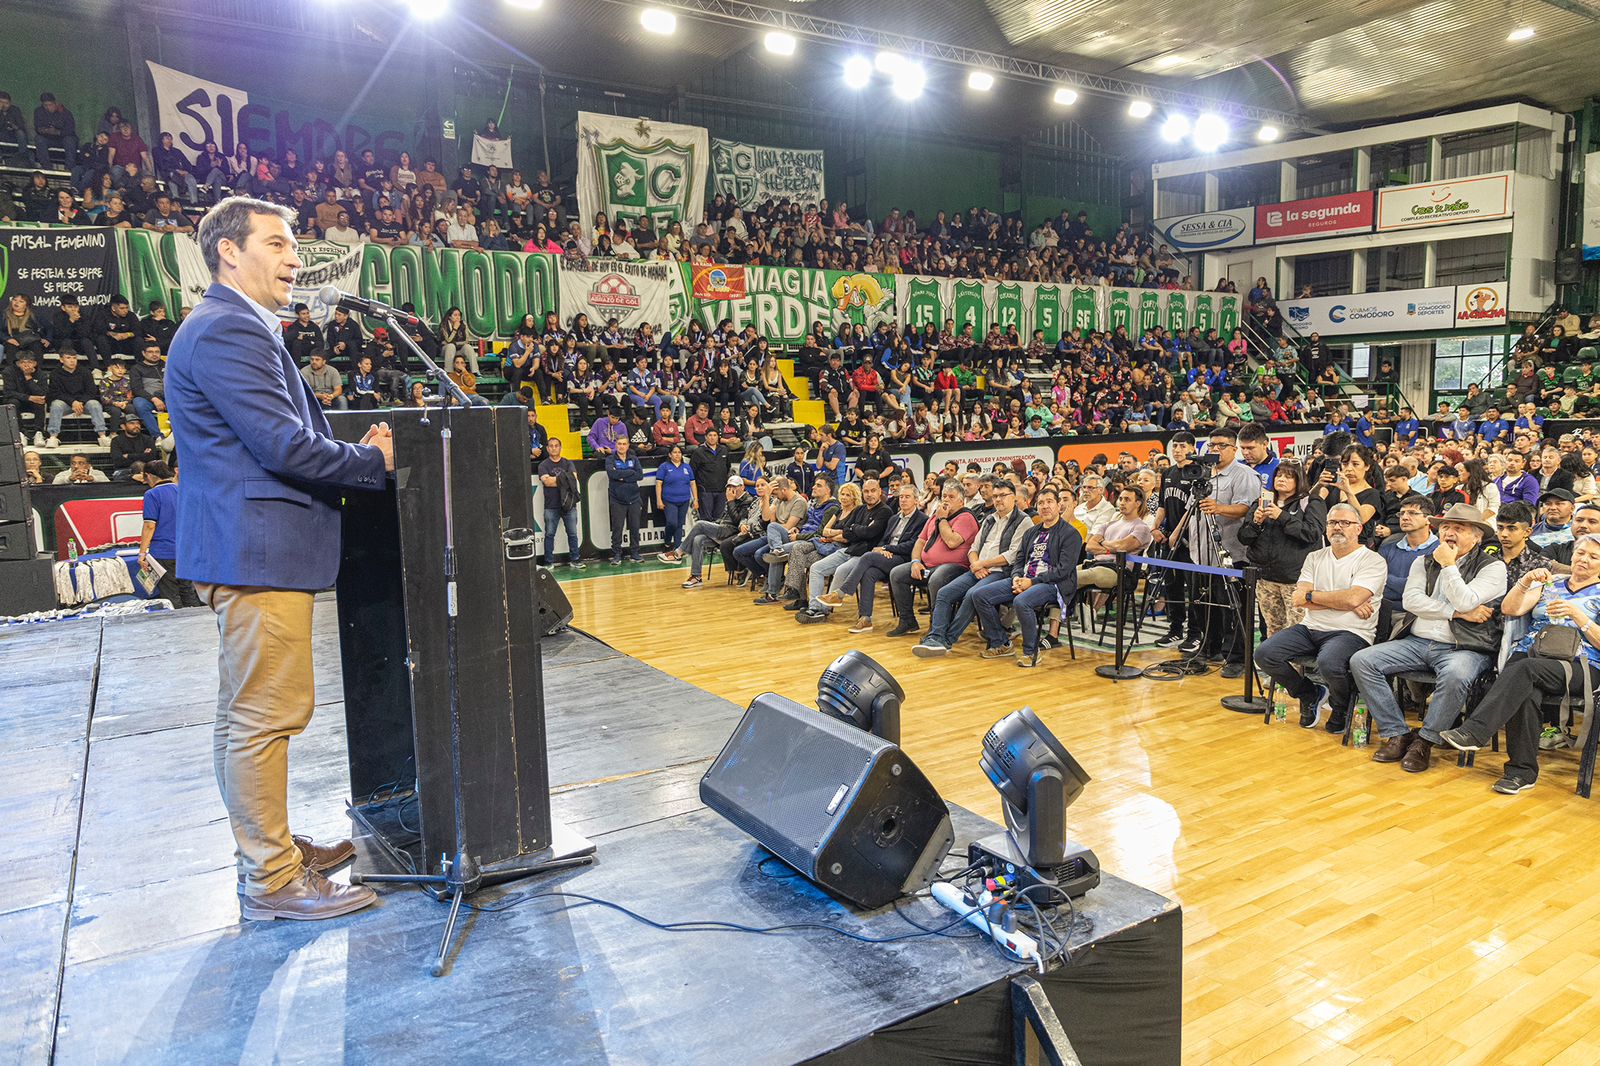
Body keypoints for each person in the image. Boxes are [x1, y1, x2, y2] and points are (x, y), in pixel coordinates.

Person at [165, 196, 392, 921]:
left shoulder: (230, 327)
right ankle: (270, 879)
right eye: (278, 243)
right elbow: (282, 446)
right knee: (266, 715)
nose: (296, 259)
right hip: (255, 551)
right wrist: (371, 459)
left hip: (249, 548)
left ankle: (272, 847)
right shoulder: (229, 329)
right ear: (229, 251)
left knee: (248, 713)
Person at [1349, 504, 1507, 773]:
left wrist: (1448, 565)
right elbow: (1412, 602)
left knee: (1457, 675)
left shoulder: (1493, 568)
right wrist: (1455, 613)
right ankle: (1397, 733)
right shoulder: (1422, 561)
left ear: (1477, 536)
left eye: (1459, 528)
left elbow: (1467, 598)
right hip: (1417, 641)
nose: (1450, 532)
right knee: (1363, 660)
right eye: (1446, 526)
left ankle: (1425, 741)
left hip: (1465, 647)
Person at [1440, 534, 1600, 795]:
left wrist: (1578, 616)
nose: (1584, 559)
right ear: (1572, 555)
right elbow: (1510, 609)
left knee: (1523, 670)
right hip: (1533, 654)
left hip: (1581, 664)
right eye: (1581, 553)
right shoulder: (1551, 584)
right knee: (1525, 689)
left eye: (1593, 557)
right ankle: (1521, 774)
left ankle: (1475, 732)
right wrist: (1525, 582)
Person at [1254, 503, 1388, 732]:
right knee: (1265, 653)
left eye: (1345, 523)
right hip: (1310, 627)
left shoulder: (1372, 560)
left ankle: (1341, 706)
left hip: (1352, 632)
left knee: (1329, 663)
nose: (1338, 527)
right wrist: (1345, 602)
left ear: (1358, 528)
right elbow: (1299, 599)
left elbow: (1353, 598)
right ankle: (1309, 693)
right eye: (1333, 523)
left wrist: (1324, 599)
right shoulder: (1315, 557)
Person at [911, 478, 1029, 656]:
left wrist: (982, 563)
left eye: (1002, 496)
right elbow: (974, 548)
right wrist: (975, 564)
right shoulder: (990, 519)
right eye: (995, 496)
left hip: (1002, 571)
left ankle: (946, 640)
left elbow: (1012, 555)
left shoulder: (1023, 521)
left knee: (972, 595)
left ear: (1013, 497)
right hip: (978, 569)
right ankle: (935, 637)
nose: (997, 500)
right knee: (944, 593)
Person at [971, 486, 1084, 668]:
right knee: (980, 595)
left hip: (1053, 584)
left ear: (1058, 506)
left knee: (1022, 601)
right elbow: (1019, 560)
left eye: (1049, 502)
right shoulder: (1032, 532)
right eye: (1041, 503)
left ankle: (1031, 652)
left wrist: (1032, 582)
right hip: (1024, 579)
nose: (1045, 506)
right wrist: (1016, 577)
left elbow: (1064, 570)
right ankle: (1001, 643)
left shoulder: (1070, 534)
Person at [1239, 461, 1326, 639]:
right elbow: (1243, 538)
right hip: (1265, 579)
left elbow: (1312, 533)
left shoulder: (1311, 502)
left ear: (1299, 479)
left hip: (1295, 581)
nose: (1281, 479)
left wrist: (1282, 516)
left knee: (1296, 631)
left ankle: (1295, 667)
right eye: (1278, 475)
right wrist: (1256, 523)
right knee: (1272, 629)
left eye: (1288, 476)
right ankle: (1273, 666)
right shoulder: (1261, 502)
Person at [885, 481, 979, 638]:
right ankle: (908, 621)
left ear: (961, 500)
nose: (946, 500)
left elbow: (952, 541)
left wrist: (942, 520)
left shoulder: (965, 517)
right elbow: (920, 542)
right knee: (897, 573)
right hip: (927, 565)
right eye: (944, 496)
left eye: (951, 497)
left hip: (956, 567)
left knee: (937, 578)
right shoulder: (934, 516)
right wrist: (915, 562)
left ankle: (936, 626)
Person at [136, 460, 202, 608]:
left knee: (171, 595)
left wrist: (142, 553)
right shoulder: (183, 491)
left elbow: (149, 525)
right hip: (185, 551)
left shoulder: (151, 494)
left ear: (148, 475)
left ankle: (177, 628)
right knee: (188, 591)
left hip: (163, 553)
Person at [1374, 495, 1439, 638]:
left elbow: (1428, 589)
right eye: (1402, 513)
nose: (1404, 517)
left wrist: (1387, 579)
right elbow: (1374, 582)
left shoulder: (1439, 550)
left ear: (1428, 519)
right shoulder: (1387, 547)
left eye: (1412, 513)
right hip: (1379, 608)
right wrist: (1407, 584)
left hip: (1414, 614)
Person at [679, 475, 758, 590]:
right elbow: (724, 519)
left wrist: (730, 501)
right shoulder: (730, 499)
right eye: (729, 486)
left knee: (700, 524)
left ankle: (679, 552)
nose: (731, 489)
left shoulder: (748, 500)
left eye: (734, 486)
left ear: (742, 487)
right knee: (698, 539)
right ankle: (696, 576)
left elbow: (737, 522)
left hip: (732, 533)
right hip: (723, 529)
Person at [1076, 485, 1153, 593]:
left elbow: (1121, 547)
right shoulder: (1108, 524)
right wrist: (1109, 550)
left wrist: (1102, 542)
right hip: (1095, 563)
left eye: (1127, 500)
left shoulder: (1141, 528)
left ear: (1138, 503)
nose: (1122, 502)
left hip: (1119, 571)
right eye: (1121, 499)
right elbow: (1089, 546)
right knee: (1063, 576)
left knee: (1072, 577)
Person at [44, 348, 109, 447]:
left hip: (83, 404)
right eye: (68, 358)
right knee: (56, 404)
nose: (72, 360)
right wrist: (72, 402)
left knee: (94, 404)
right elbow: (55, 393)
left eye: (74, 358)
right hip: (65, 404)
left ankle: (102, 435)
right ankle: (53, 437)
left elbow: (91, 391)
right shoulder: (55, 374)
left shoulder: (85, 372)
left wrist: (81, 402)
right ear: (61, 360)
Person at [538, 436, 583, 568]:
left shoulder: (568, 463)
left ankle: (575, 560)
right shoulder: (543, 465)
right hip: (551, 505)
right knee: (550, 534)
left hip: (569, 505)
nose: (553, 448)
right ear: (547, 448)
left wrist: (556, 480)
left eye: (556, 445)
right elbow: (546, 481)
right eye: (551, 446)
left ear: (560, 448)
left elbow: (573, 478)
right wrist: (565, 479)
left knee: (573, 533)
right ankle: (548, 562)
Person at [654, 443, 698, 562]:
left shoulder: (686, 467)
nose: (677, 454)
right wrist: (659, 499)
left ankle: (677, 551)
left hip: (684, 500)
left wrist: (695, 499)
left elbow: (692, 483)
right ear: (670, 454)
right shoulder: (664, 467)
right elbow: (659, 484)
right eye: (675, 452)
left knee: (679, 525)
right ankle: (668, 542)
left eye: (679, 452)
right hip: (669, 500)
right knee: (672, 523)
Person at [605, 436, 644, 564]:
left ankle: (635, 553)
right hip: (617, 500)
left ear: (628, 446)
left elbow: (639, 475)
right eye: (619, 444)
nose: (621, 446)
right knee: (617, 528)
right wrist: (630, 473)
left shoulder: (634, 458)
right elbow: (612, 474)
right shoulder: (610, 459)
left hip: (634, 499)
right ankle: (616, 554)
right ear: (616, 445)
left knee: (635, 527)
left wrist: (622, 475)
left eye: (624, 444)